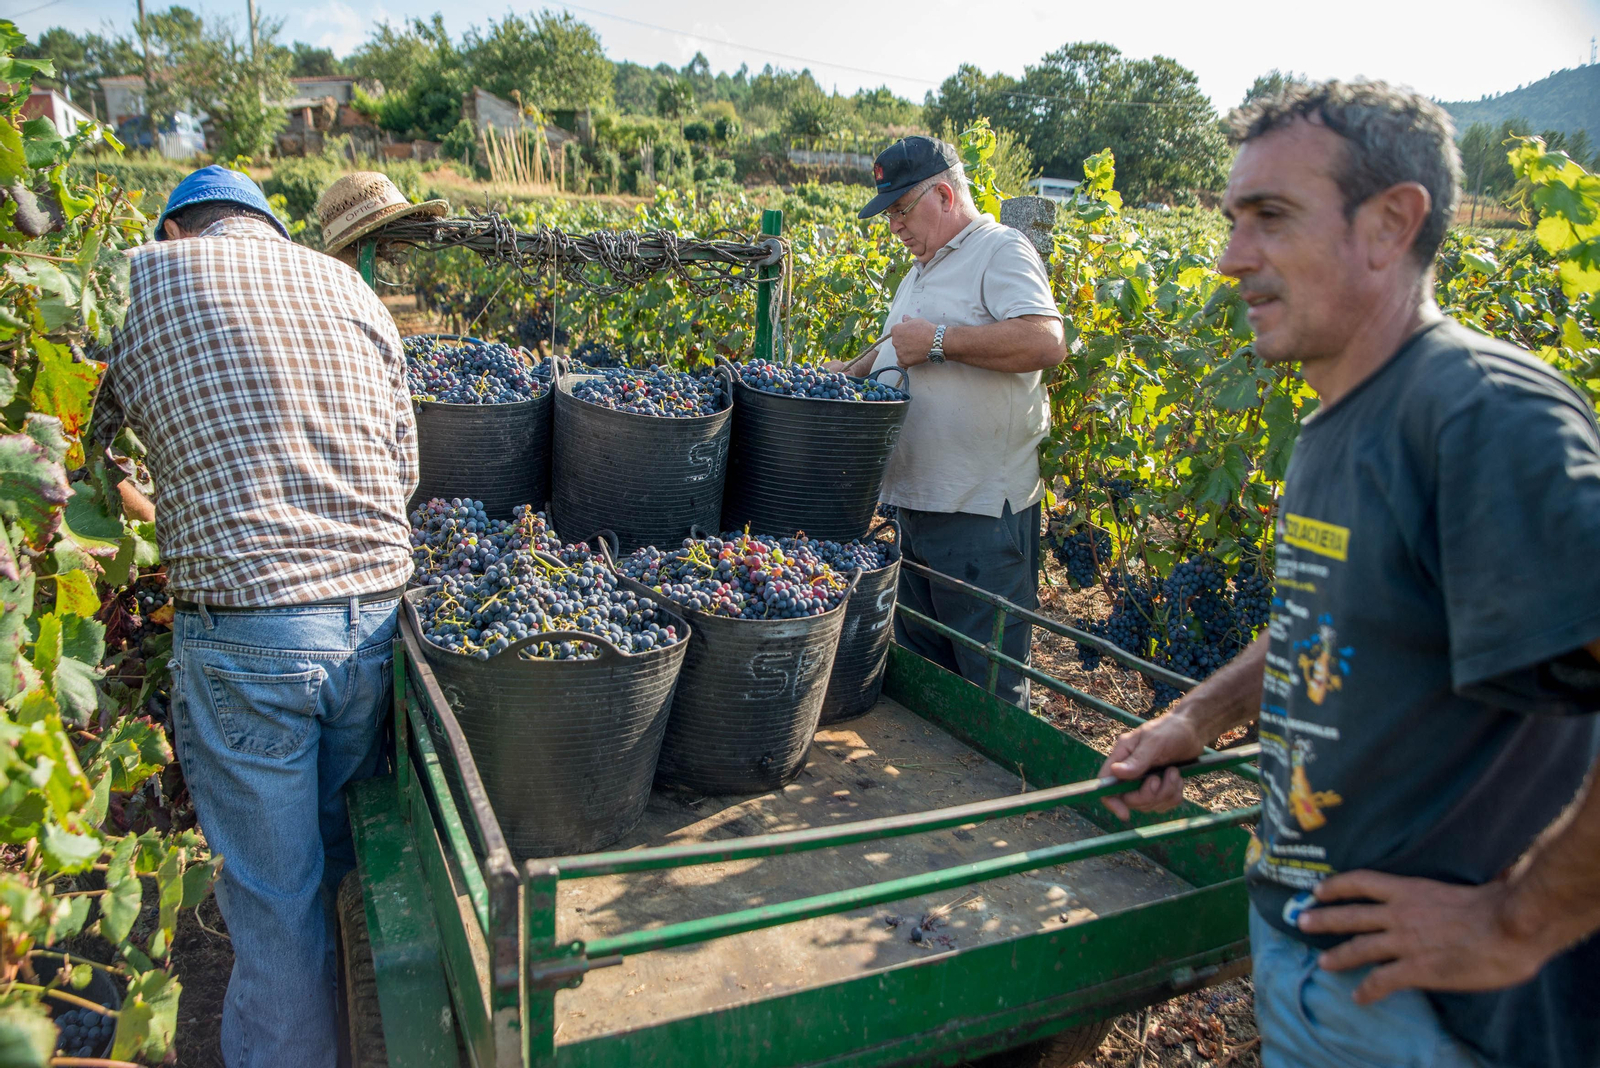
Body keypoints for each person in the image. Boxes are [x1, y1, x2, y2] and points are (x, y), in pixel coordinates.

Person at [1099, 81, 1600, 1068]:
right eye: (1231, 220)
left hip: (1437, 1017)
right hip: (1323, 974)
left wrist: (1518, 919)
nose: (1229, 257)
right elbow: (1327, 620)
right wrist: (1197, 718)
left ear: (1389, 225)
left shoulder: (1482, 418)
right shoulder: (1338, 421)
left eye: (1269, 218)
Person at [94, 165, 422, 1067]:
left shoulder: (132, 279)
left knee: (276, 903)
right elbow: (402, 477)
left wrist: (152, 507)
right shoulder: (348, 285)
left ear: (176, 231)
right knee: (330, 851)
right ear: (270, 228)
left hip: (250, 635)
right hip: (372, 626)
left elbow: (69, 452)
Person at [829, 136, 1066, 707]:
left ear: (942, 193)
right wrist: (847, 371)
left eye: (901, 209)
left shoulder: (998, 251)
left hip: (979, 515)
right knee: (930, 681)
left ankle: (1008, 791)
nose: (894, 226)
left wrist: (938, 341)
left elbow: (1046, 340)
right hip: (919, 509)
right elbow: (898, 350)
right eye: (888, 214)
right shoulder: (922, 270)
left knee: (989, 685)